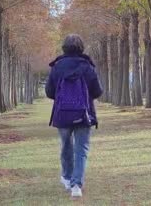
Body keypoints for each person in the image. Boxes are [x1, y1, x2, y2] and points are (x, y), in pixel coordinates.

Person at [45, 34, 103, 198]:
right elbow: (98, 91)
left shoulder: (57, 67)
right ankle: (76, 185)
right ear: (81, 47)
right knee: (81, 149)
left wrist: (64, 98)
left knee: (66, 146)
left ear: (64, 47)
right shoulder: (87, 66)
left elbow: (49, 92)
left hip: (62, 115)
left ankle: (67, 177)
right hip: (84, 114)